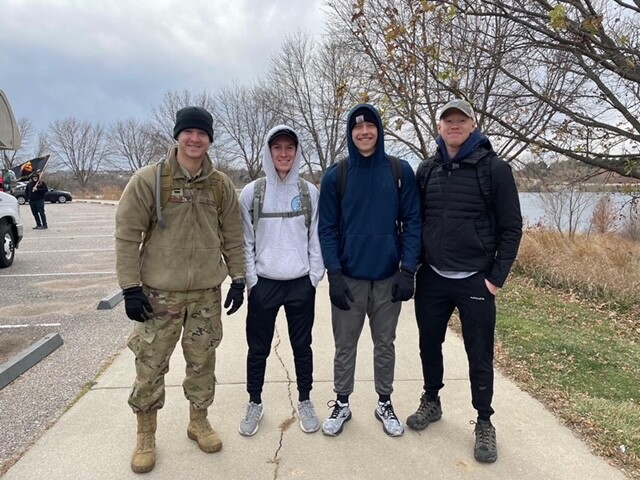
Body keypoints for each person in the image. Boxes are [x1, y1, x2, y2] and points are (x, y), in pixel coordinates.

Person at [115, 106, 246, 474]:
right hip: (159, 295)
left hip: (205, 294)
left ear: (209, 139)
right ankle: (145, 433)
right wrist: (129, 287)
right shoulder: (150, 180)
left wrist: (237, 278)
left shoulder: (219, 185)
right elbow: (127, 235)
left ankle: (198, 421)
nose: (194, 138)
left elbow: (233, 235)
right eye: (188, 132)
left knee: (203, 362)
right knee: (150, 365)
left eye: (201, 133)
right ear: (177, 135)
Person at [408, 99, 522, 463]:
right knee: (429, 344)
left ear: (473, 125)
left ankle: (485, 421)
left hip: (475, 280)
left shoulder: (494, 169)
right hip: (433, 279)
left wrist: (494, 280)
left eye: (461, 120)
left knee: (479, 354)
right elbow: (414, 221)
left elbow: (511, 228)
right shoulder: (427, 170)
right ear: (439, 127)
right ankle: (431, 400)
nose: (454, 125)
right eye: (447, 120)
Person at [318, 103, 421, 437]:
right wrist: (333, 273)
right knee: (345, 345)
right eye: (357, 127)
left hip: (389, 278)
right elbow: (327, 229)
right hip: (349, 278)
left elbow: (414, 222)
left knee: (385, 344)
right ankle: (342, 402)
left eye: (370, 126)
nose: (364, 132)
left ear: (379, 130)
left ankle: (384, 402)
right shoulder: (338, 175)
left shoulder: (399, 171)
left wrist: (408, 270)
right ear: (350, 133)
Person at [237, 125, 325, 436]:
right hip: (265, 284)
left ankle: (305, 399)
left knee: (303, 346)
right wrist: (252, 281)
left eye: (290, 147)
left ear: (297, 152)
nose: (284, 154)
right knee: (257, 347)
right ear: (269, 151)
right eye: (278, 148)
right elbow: (245, 241)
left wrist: (314, 276)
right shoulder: (253, 192)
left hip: (301, 283)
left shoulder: (308, 192)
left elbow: (316, 238)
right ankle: (254, 401)